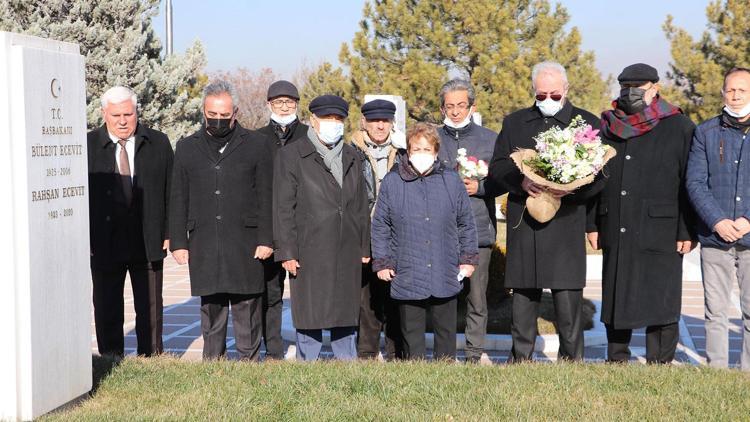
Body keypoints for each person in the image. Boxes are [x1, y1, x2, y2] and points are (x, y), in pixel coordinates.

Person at [489, 61, 604, 362]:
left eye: (554, 95)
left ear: (566, 90)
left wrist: (573, 189)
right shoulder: (515, 123)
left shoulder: (587, 122)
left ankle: (571, 360)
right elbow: (498, 169)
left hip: (567, 223)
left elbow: (601, 177)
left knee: (567, 299)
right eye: (541, 96)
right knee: (524, 296)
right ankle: (521, 358)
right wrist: (520, 180)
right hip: (525, 223)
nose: (548, 101)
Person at [589, 63, 695, 364]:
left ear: (655, 89)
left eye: (639, 88)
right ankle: (617, 358)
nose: (631, 94)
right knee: (617, 291)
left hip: (662, 227)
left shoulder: (680, 127)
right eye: (625, 88)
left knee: (660, 295)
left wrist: (687, 230)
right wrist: (592, 223)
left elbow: (690, 182)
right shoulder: (607, 126)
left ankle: (659, 362)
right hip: (617, 222)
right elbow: (595, 178)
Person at [169, 80, 274, 361]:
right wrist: (179, 242)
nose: (217, 121)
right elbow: (178, 196)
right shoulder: (186, 147)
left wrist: (267, 238)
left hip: (246, 242)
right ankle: (213, 364)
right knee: (211, 309)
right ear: (203, 111)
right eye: (212, 115)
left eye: (224, 116)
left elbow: (266, 195)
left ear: (235, 112)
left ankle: (249, 364)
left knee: (247, 308)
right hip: (205, 241)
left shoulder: (257, 145)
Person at [273, 94, 370, 361]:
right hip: (309, 248)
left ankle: (347, 369)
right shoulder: (292, 155)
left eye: (338, 119)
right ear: (313, 120)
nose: (333, 123)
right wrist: (287, 251)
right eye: (327, 118)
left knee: (344, 312)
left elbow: (361, 203)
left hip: (347, 246)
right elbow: (283, 207)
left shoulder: (353, 156)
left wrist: (364, 244)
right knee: (311, 314)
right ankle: (308, 368)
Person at [372, 122, 478, 361]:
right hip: (407, 269)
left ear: (436, 152)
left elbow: (465, 223)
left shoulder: (451, 180)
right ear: (408, 152)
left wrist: (468, 259)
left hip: (445, 266)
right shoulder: (393, 181)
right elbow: (381, 225)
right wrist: (383, 262)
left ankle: (445, 377)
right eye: (416, 149)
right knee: (411, 335)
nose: (422, 154)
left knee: (446, 331)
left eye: (427, 149)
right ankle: (415, 378)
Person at [88, 86, 173, 357]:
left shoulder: (158, 143)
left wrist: (170, 231)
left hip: (147, 238)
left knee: (149, 308)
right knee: (107, 306)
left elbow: (172, 190)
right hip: (104, 241)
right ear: (104, 114)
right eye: (116, 115)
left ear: (137, 112)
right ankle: (110, 358)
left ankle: (151, 359)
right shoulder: (86, 146)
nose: (123, 121)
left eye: (128, 113)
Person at [686, 67, 750, 370]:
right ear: (723, 92)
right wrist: (717, 221)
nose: (735, 96)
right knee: (716, 311)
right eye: (730, 90)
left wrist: (748, 220)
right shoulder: (706, 132)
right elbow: (695, 183)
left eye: (742, 90)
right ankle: (717, 374)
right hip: (715, 238)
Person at [437, 79, 499, 363]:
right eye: (450, 106)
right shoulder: (433, 138)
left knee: (476, 298)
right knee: (444, 298)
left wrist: (481, 188)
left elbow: (504, 179)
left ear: (472, 106)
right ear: (442, 108)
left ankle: (474, 353)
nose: (456, 111)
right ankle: (445, 352)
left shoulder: (490, 139)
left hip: (477, 231)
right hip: (440, 231)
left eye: (461, 105)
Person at [255, 80, 309, 360]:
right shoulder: (257, 138)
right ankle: (273, 349)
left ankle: (306, 348)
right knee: (271, 293)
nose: (284, 106)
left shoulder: (309, 135)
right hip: (269, 225)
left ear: (297, 104)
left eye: (289, 102)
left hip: (302, 226)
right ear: (269, 105)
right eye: (278, 102)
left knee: (303, 291)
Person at [349, 99, 405, 360]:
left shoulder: (404, 150)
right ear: (364, 122)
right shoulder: (351, 150)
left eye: (385, 120)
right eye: (374, 120)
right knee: (367, 298)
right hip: (364, 231)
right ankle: (367, 352)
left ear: (392, 123)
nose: (380, 125)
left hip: (397, 234)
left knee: (396, 295)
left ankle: (396, 352)